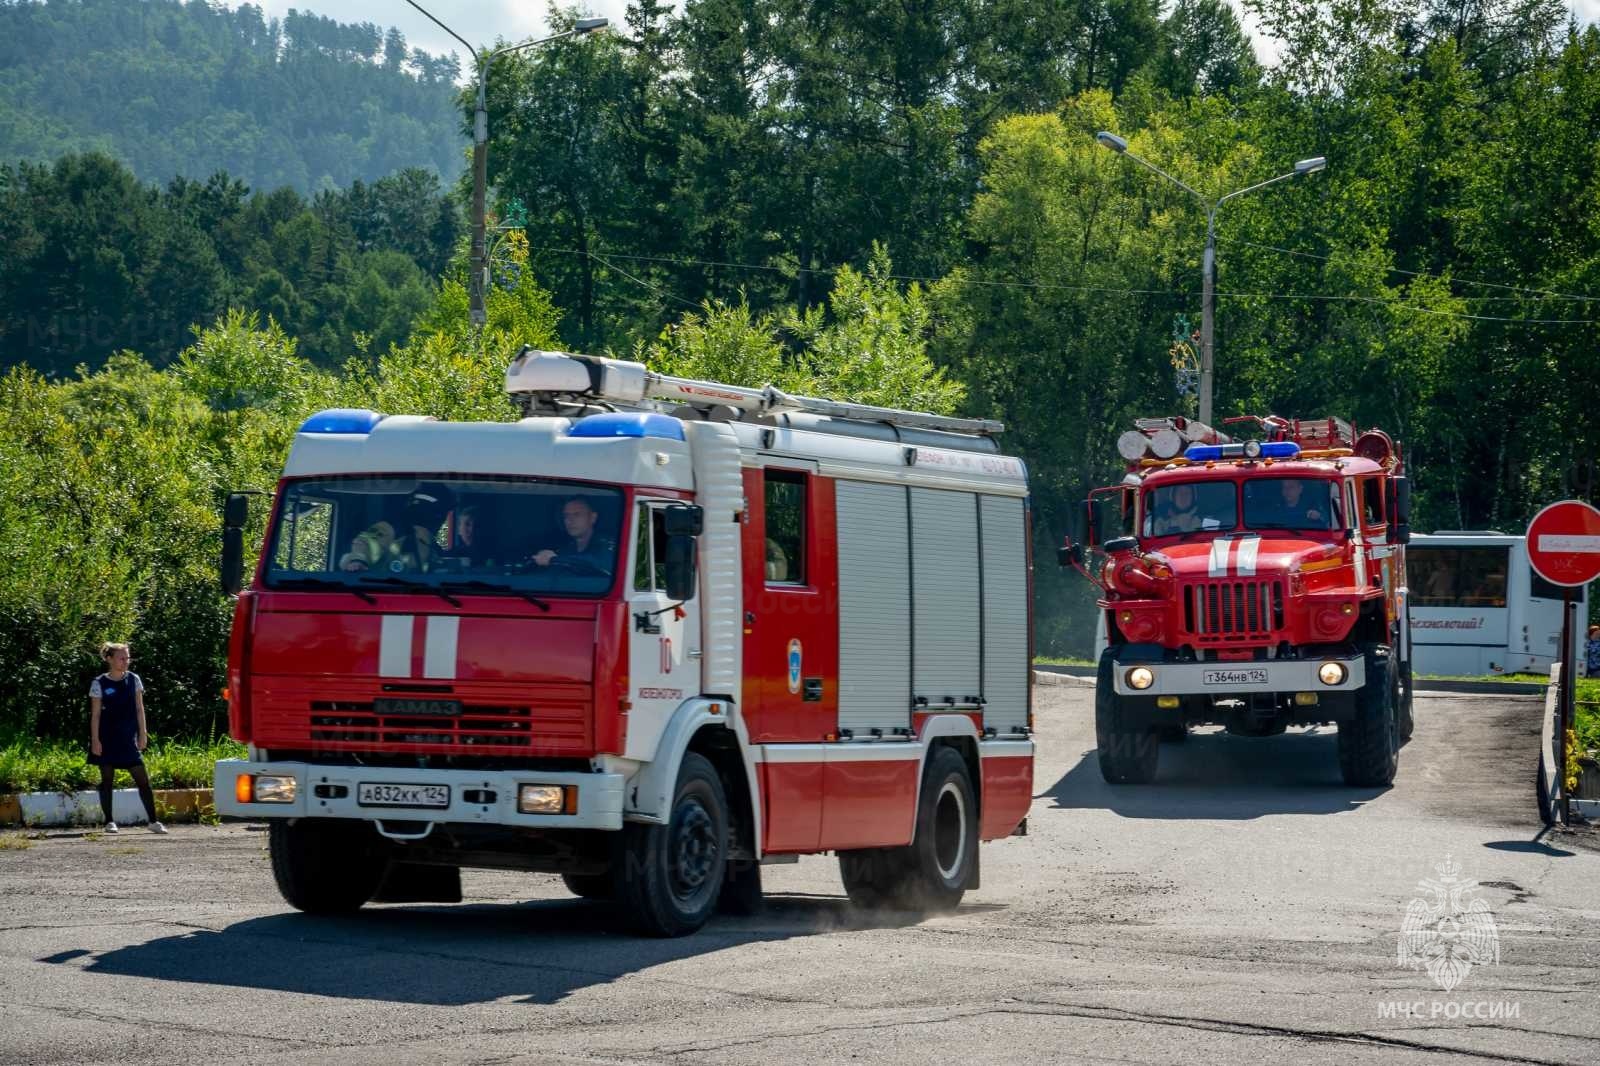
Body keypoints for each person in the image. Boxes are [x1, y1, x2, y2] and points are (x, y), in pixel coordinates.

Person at [88, 643, 165, 835]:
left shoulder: (134, 680)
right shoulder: (99, 683)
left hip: (128, 738)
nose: (126, 661)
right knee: (107, 780)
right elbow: (95, 715)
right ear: (109, 659)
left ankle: (153, 821)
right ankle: (109, 822)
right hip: (107, 737)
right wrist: (96, 740)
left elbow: (140, 709)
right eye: (122, 658)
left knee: (143, 780)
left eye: (127, 657)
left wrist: (143, 733)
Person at [532, 497, 615, 575]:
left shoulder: (607, 545)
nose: (569, 520)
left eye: (577, 514)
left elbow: (600, 564)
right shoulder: (565, 550)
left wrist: (554, 559)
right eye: (566, 515)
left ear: (593, 517)